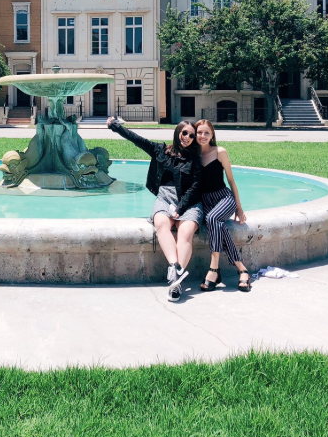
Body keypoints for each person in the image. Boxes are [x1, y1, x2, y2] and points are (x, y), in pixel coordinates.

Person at [107, 116, 202, 302]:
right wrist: (115, 127)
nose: (187, 137)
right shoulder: (160, 150)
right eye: (184, 133)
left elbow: (195, 187)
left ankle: (174, 281)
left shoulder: (195, 159)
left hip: (189, 201)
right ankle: (176, 269)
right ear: (178, 132)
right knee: (161, 224)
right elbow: (137, 140)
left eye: (191, 135)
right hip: (165, 197)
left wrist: (181, 208)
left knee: (185, 232)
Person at [194, 119, 252, 292]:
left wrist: (239, 208)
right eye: (199, 132)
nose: (202, 136)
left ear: (212, 135)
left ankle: (213, 269)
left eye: (206, 133)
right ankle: (242, 269)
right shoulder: (193, 154)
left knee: (212, 218)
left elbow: (231, 180)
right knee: (217, 224)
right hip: (205, 201)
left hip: (224, 198)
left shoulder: (220, 152)